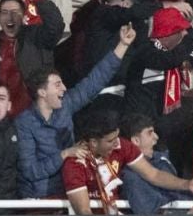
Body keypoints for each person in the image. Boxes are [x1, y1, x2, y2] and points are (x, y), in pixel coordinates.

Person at [13, 27, 131, 198]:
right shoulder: (24, 122)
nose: (64, 88)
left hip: (70, 191)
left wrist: (122, 44)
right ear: (42, 92)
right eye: (57, 85)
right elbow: (31, 171)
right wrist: (65, 154)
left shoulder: (65, 105)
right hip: (39, 200)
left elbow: (95, 81)